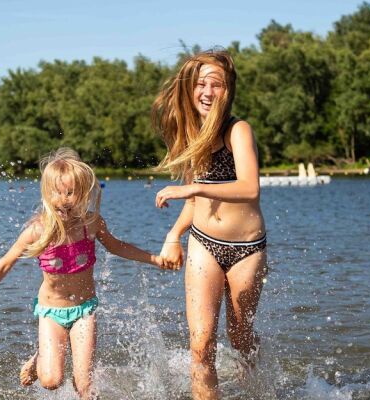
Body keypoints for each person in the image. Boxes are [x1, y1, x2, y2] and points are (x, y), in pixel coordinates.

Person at [0, 148, 169, 399]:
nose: (64, 200)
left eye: (71, 193)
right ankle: (38, 360)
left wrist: (154, 259)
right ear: (47, 193)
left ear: (84, 193)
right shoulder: (38, 231)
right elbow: (4, 265)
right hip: (51, 313)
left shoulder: (91, 224)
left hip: (84, 310)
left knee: (84, 386)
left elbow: (118, 246)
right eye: (57, 192)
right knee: (52, 381)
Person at [151, 50, 267, 399]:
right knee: (201, 345)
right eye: (200, 84)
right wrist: (174, 235)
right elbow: (193, 202)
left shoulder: (238, 130)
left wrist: (197, 187)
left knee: (239, 336)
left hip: (246, 249)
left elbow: (250, 187)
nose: (206, 91)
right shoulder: (191, 134)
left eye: (214, 84)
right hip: (203, 244)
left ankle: (258, 387)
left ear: (227, 90)